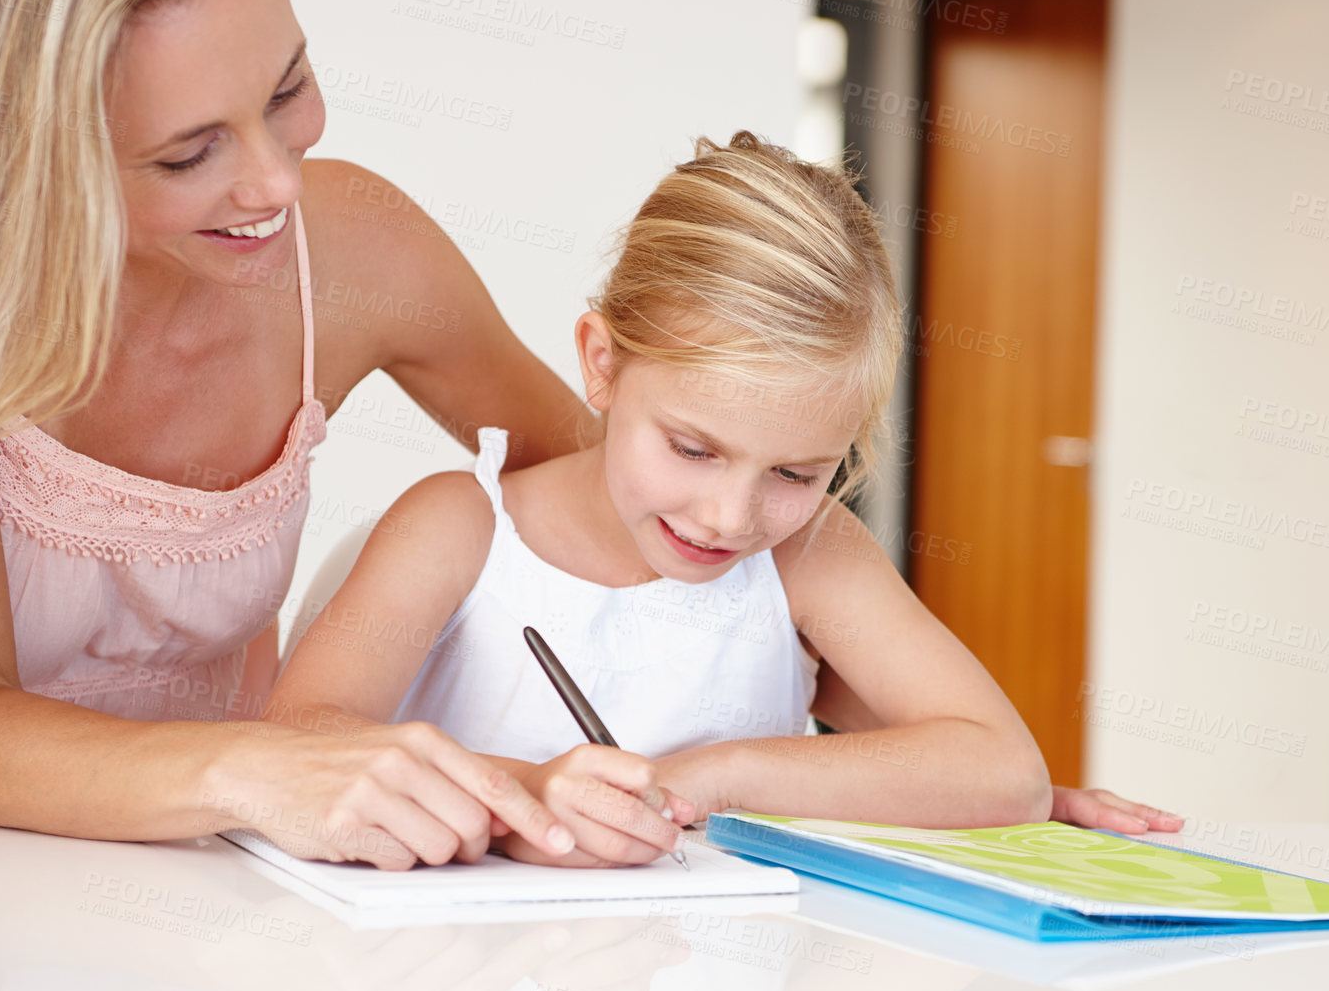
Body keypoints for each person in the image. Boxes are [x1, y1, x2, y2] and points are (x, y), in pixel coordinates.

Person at [0, 0, 587, 866]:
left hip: (238, 894)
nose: (278, 182)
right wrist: (262, 766)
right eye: (192, 153)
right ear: (30, 154)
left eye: (287, 89)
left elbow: (607, 479)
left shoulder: (357, 249)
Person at [270, 133, 1177, 868]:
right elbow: (302, 741)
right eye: (694, 449)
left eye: (796, 474)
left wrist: (717, 774)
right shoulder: (459, 528)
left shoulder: (810, 553)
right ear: (602, 363)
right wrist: (533, 798)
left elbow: (1002, 770)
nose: (731, 519)